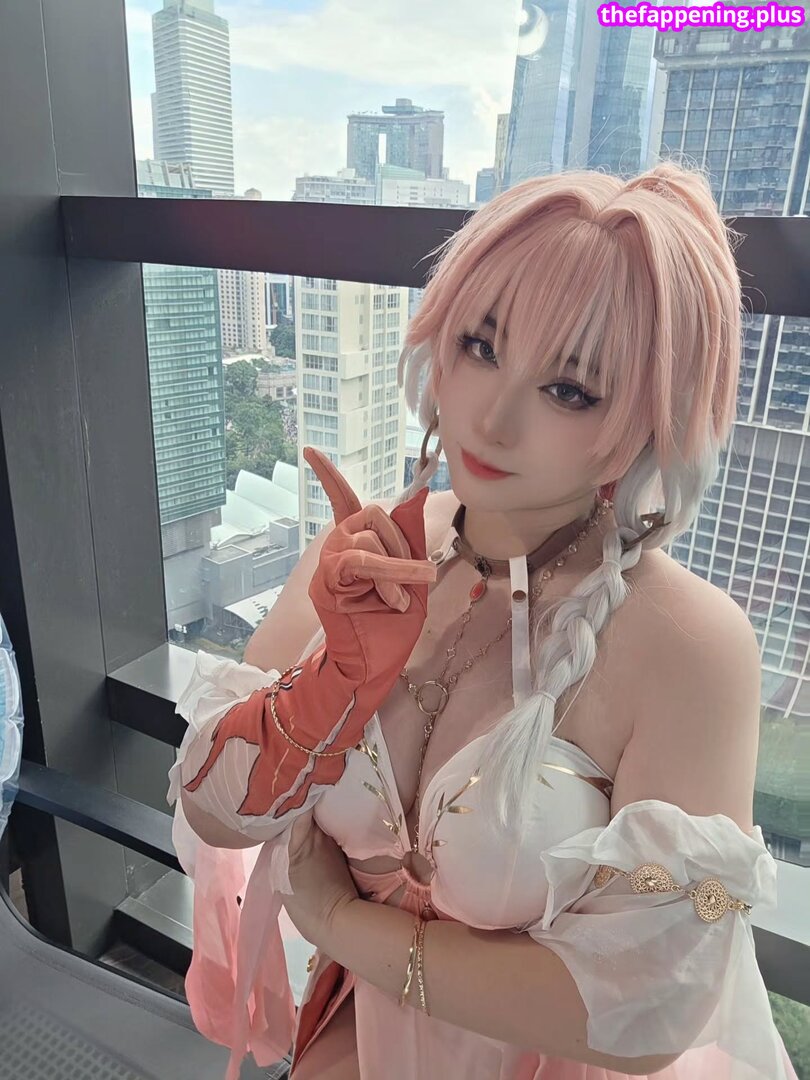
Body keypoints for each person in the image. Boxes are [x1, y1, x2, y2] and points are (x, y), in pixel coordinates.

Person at [166, 160, 799, 1080]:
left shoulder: (688, 645)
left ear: (653, 417)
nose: (493, 418)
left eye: (571, 390)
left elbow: (651, 1004)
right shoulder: (366, 550)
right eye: (481, 345)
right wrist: (331, 688)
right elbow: (209, 812)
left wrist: (343, 924)